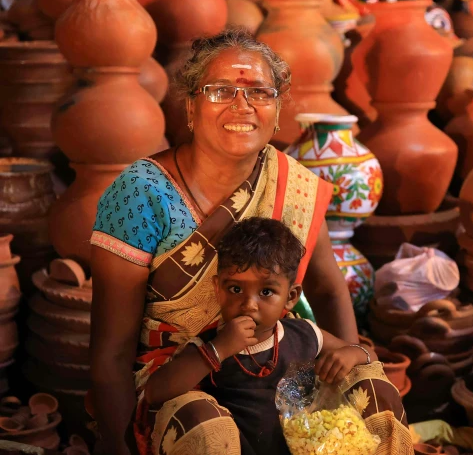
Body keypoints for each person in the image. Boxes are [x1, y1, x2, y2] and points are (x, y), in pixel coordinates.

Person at [88, 29, 409, 455]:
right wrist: (122, 443)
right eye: (220, 91)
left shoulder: (292, 184)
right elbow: (110, 353)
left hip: (279, 373)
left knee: (375, 396)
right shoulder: (141, 194)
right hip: (177, 386)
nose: (242, 106)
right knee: (207, 433)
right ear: (190, 107)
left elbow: (330, 289)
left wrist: (347, 363)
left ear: (277, 112)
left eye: (259, 91)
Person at [142, 217, 377, 455]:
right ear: (218, 289)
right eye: (235, 289)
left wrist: (352, 353)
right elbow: (155, 392)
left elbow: (371, 358)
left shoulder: (304, 334)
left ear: (291, 296)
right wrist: (219, 350)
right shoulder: (209, 346)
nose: (249, 305)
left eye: (266, 292)